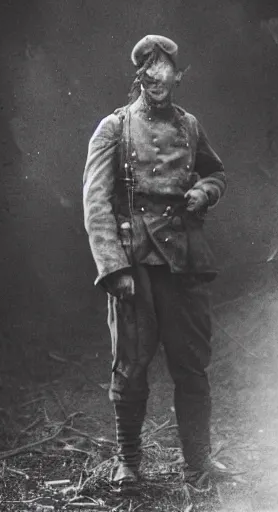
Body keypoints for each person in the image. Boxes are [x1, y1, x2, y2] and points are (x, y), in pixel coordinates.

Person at [83, 35, 228, 489]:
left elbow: (216, 172)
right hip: (136, 264)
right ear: (138, 77)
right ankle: (128, 462)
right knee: (131, 365)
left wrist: (205, 192)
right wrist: (114, 268)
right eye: (146, 70)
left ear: (178, 76)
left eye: (163, 70)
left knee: (191, 365)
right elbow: (95, 202)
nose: (154, 77)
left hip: (184, 262)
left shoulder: (190, 126)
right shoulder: (115, 127)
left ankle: (198, 462)